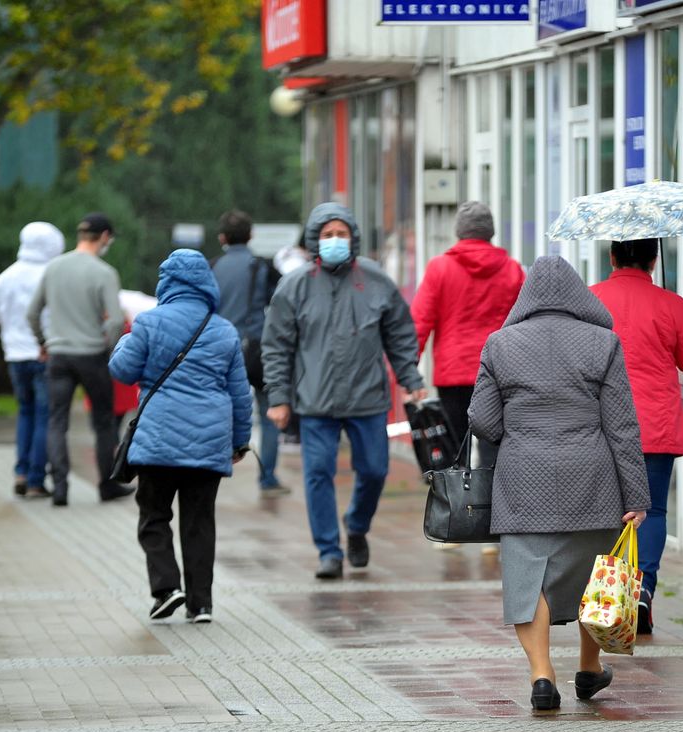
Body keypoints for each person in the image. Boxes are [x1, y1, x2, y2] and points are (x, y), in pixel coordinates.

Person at [468, 256, 649, 712]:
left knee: (531, 580)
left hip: (522, 479)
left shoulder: (499, 344)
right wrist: (636, 495)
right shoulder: (603, 343)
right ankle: (588, 669)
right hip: (593, 478)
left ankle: (542, 676)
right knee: (594, 579)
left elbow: (485, 422)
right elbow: (622, 425)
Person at [262, 202, 426, 579]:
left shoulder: (376, 280)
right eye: (326, 235)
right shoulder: (294, 286)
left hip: (367, 397)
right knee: (317, 473)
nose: (334, 241)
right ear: (314, 241)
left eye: (341, 234)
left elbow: (400, 335)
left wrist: (411, 380)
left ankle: (356, 525)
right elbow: (277, 346)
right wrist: (279, 397)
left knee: (374, 470)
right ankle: (328, 551)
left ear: (353, 237)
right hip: (315, 399)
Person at [108, 249, 252, 624]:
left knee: (154, 515)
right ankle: (201, 604)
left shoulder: (148, 322)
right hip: (208, 443)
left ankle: (167, 587)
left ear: (166, 282)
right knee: (199, 522)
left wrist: (126, 340)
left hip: (157, 442)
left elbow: (122, 370)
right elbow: (240, 393)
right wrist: (240, 442)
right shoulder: (223, 329)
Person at [591, 239, 683, 635]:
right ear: (654, 260)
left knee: (608, 512)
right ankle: (642, 591)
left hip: (604, 426)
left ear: (612, 257)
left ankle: (609, 595)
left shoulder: (591, 300)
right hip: (655, 426)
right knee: (652, 511)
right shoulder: (670, 303)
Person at [27, 212, 133, 507]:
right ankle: (107, 486)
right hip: (92, 356)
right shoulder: (103, 272)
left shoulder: (53, 268)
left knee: (56, 421)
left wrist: (44, 343)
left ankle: (60, 488)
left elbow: (32, 313)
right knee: (103, 424)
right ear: (104, 237)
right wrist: (110, 349)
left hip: (59, 356)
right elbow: (114, 321)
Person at [412, 200, 524, 467]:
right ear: (490, 232)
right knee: (493, 452)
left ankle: (458, 507)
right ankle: (492, 506)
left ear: (459, 232)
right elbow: (523, 323)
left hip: (453, 376)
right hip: (497, 373)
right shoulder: (512, 270)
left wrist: (409, 373)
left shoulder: (439, 268)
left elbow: (420, 321)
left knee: (454, 453)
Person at [0, 221, 65, 499]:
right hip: (44, 354)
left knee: (25, 412)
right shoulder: (52, 274)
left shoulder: (5, 277)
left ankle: (20, 471)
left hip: (15, 355)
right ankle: (35, 479)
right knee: (45, 415)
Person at [212, 209, 287, 495]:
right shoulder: (262, 267)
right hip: (259, 349)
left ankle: (215, 467)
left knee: (219, 410)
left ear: (222, 238)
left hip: (221, 349)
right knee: (269, 411)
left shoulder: (212, 266)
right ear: (251, 235)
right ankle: (267, 478)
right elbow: (281, 299)